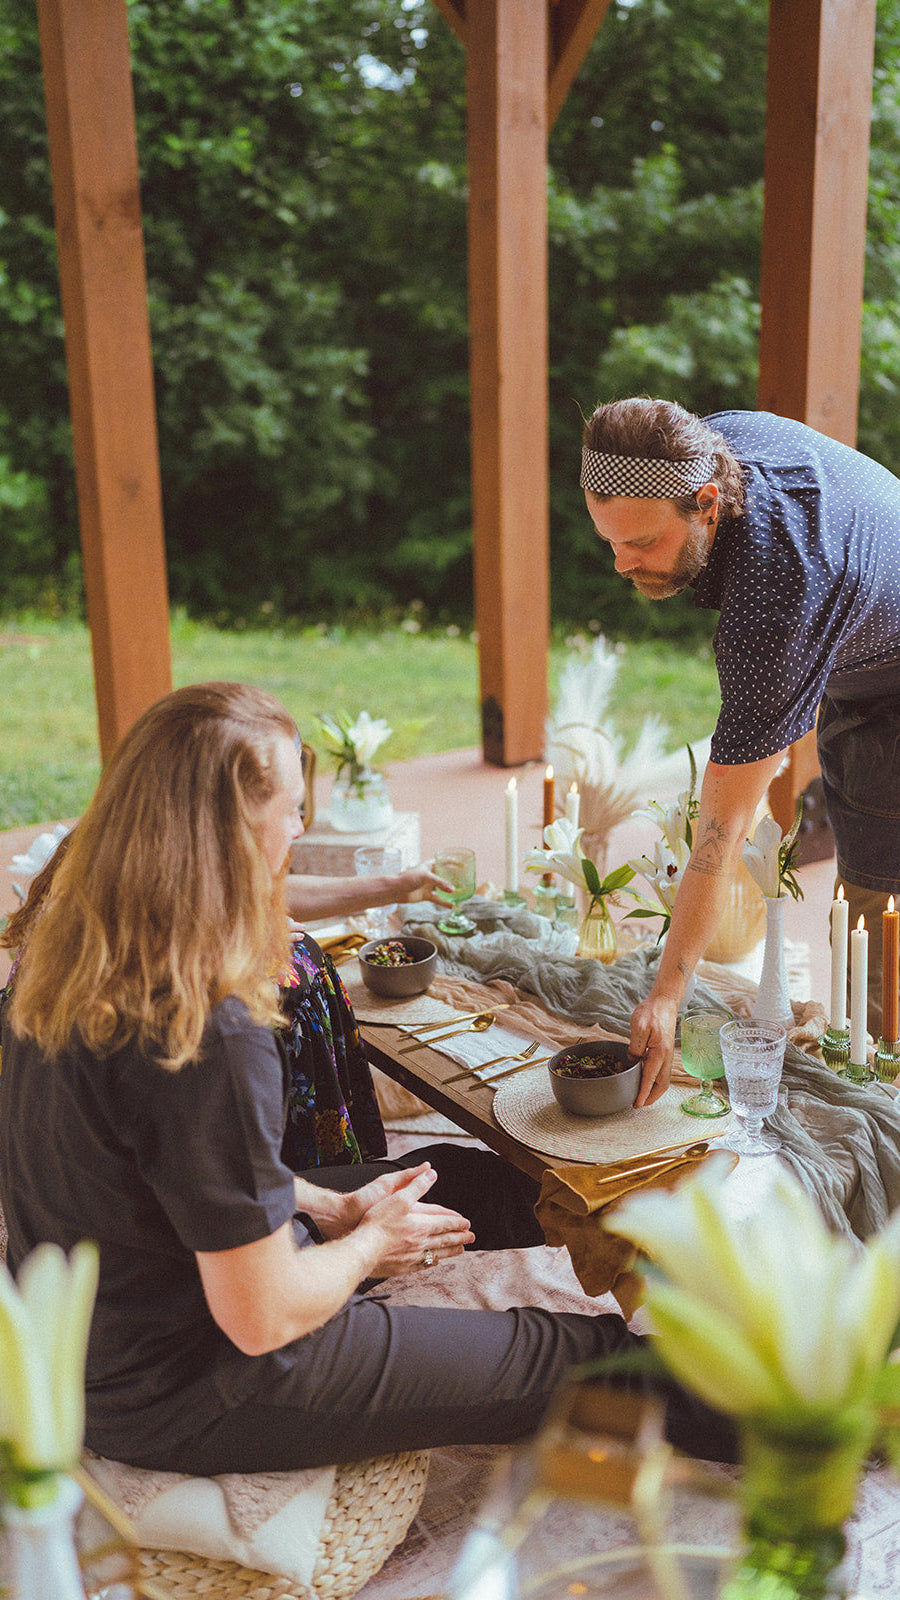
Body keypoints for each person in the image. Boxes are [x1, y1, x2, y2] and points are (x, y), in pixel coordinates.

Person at [0, 682, 735, 1475]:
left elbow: (177, 1171)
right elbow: (261, 1317)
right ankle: (821, 1416)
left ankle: (667, 1254)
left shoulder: (69, 943)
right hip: (187, 1384)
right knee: (578, 1352)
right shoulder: (207, 1022)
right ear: (230, 834)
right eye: (288, 809)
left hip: (102, 1320)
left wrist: (331, 1205)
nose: (299, 827)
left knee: (453, 1179)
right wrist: (369, 1245)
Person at [580, 399, 900, 1103]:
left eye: (641, 542)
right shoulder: (711, 444)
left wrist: (667, 994)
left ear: (706, 503)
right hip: (861, 631)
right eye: (610, 540)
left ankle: (882, 1094)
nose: (620, 563)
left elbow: (721, 827)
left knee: (880, 903)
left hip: (890, 675)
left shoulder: (776, 599)